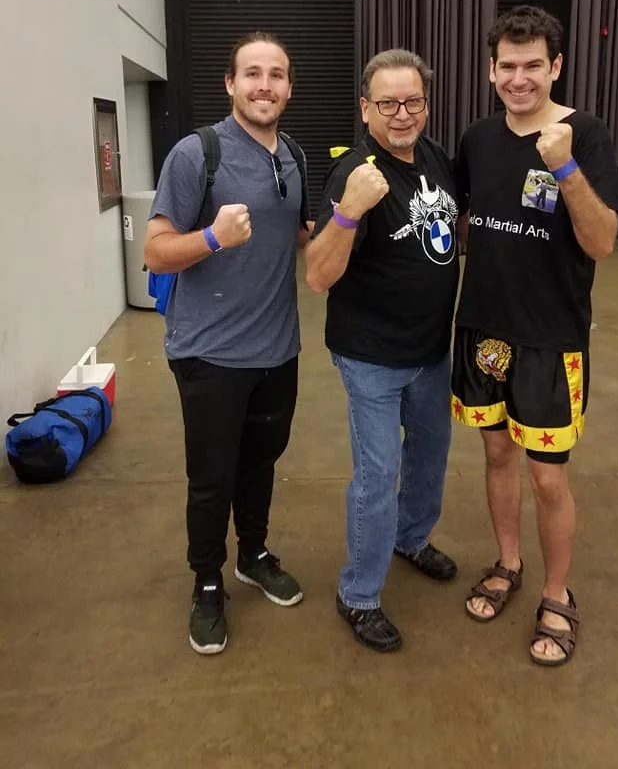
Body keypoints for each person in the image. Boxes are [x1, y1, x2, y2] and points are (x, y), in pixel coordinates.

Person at [452, 5, 618, 666]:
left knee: (548, 479)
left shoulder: (586, 133)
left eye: (533, 65)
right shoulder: (477, 138)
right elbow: (462, 220)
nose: (519, 79)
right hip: (483, 330)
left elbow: (602, 242)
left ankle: (557, 593)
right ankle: (508, 562)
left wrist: (566, 167)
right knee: (497, 456)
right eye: (507, 66)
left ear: (556, 66)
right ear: (490, 69)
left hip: (551, 338)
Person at [144, 32, 310, 655]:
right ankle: (208, 581)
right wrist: (212, 237)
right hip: (210, 353)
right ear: (230, 84)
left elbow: (298, 237)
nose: (265, 85)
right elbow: (155, 250)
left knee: (261, 462)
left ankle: (253, 554)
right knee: (212, 477)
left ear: (288, 87)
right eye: (253, 73)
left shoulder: (292, 154)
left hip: (279, 349)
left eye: (276, 74)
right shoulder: (198, 154)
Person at [305, 48, 460, 652]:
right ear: (366, 108)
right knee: (378, 474)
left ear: (426, 104)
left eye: (413, 101)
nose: (402, 114)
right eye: (388, 103)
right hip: (371, 356)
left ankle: (411, 538)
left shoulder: (436, 157)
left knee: (429, 458)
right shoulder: (354, 173)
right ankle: (359, 594)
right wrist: (349, 212)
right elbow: (318, 276)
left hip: (432, 350)